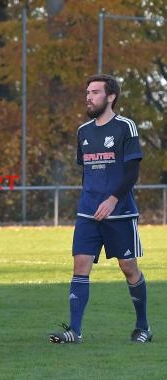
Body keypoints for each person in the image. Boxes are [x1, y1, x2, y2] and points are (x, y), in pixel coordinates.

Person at [49, 74, 151, 344]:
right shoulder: (84, 131)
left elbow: (132, 172)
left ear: (110, 97)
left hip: (120, 211)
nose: (89, 97)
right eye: (88, 92)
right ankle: (75, 330)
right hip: (88, 213)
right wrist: (91, 200)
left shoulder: (125, 127)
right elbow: (88, 173)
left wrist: (113, 199)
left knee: (128, 267)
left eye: (95, 92)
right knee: (80, 265)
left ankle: (143, 327)